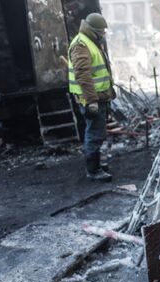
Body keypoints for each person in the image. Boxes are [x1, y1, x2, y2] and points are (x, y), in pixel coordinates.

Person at [68, 13, 115, 182]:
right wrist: (92, 101)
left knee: (97, 132)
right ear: (93, 30)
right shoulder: (81, 45)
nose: (103, 34)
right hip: (91, 98)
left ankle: (96, 166)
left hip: (98, 97)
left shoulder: (89, 42)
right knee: (94, 133)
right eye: (101, 31)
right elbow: (83, 75)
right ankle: (93, 170)